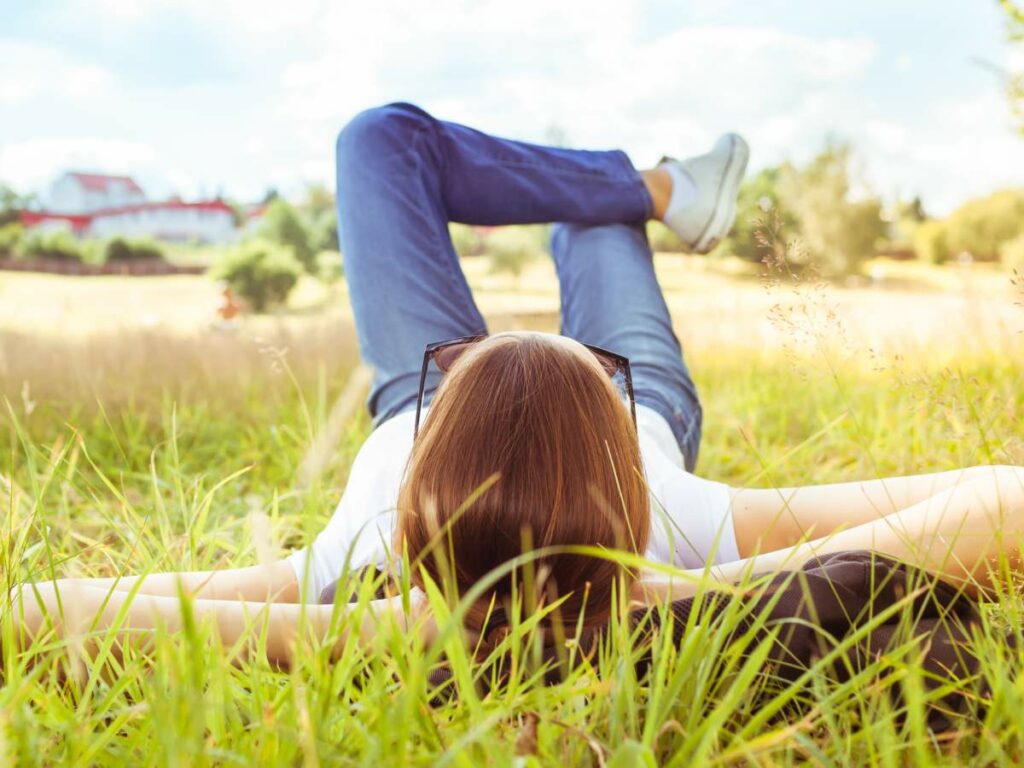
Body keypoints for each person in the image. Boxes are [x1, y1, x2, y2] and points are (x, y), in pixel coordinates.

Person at [7, 103, 1023, 665]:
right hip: (621, 446)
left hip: (433, 406)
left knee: (377, 143)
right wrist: (689, 595)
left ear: (414, 490)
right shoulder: (677, 519)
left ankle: (642, 190)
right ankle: (648, 197)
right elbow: (1005, 504)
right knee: (591, 218)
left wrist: (376, 626)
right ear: (624, 487)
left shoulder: (361, 556)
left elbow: (39, 608)